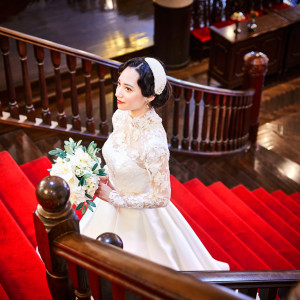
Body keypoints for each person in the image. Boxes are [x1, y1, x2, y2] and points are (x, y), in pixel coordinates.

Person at [80, 57, 229, 271]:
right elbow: (119, 155)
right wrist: (105, 174)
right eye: (119, 84)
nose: (118, 93)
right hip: (108, 203)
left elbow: (162, 197)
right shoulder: (120, 116)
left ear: (149, 96)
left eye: (128, 88)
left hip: (138, 219)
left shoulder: (154, 143)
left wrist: (113, 197)